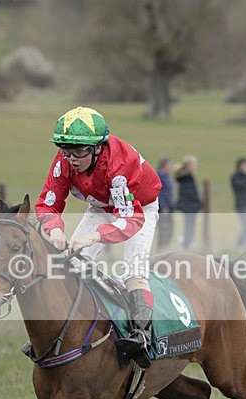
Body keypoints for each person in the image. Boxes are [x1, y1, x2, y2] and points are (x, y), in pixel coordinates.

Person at [34, 106, 161, 368]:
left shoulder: (119, 166)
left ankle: (141, 336)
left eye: (80, 150)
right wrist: (55, 229)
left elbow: (130, 219)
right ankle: (63, 330)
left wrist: (93, 237)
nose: (72, 158)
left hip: (140, 208)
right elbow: (48, 203)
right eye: (66, 149)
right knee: (70, 264)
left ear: (99, 147)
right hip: (102, 207)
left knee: (133, 271)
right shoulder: (64, 161)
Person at [174, 155, 201, 249]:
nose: (194, 167)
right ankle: (186, 244)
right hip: (188, 206)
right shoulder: (184, 177)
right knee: (189, 226)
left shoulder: (189, 177)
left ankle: (188, 243)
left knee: (191, 227)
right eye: (193, 165)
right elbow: (178, 175)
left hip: (192, 206)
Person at [155, 157, 174, 249]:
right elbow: (159, 192)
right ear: (165, 165)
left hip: (169, 206)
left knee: (169, 228)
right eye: (170, 164)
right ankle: (161, 247)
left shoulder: (166, 176)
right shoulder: (160, 176)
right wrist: (163, 206)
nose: (171, 166)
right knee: (163, 227)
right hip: (163, 208)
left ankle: (164, 246)